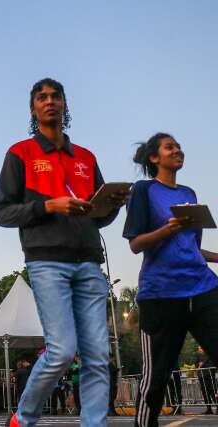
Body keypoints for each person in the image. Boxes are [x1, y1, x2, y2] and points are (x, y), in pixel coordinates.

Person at [0, 78, 127, 427]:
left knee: (98, 356)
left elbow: (98, 217)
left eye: (56, 96)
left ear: (65, 105)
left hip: (89, 261)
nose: (50, 101)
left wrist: (111, 204)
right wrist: (49, 205)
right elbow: (3, 213)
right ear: (33, 108)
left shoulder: (86, 157)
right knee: (62, 351)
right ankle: (23, 417)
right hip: (47, 261)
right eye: (42, 97)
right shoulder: (20, 153)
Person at [123, 132, 218, 427]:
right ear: (155, 158)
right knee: (157, 377)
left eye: (179, 146)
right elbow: (136, 243)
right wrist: (169, 229)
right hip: (162, 294)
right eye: (170, 147)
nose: (178, 150)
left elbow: (190, 247)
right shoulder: (142, 190)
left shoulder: (188, 194)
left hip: (203, 287)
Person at [198, 348, 216, 415]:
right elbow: (198, 365)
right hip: (202, 376)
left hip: (209, 375)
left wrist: (202, 364)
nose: (199, 349)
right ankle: (208, 409)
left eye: (200, 348)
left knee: (213, 392)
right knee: (205, 393)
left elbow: (211, 366)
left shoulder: (210, 355)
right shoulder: (201, 356)